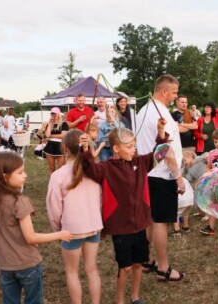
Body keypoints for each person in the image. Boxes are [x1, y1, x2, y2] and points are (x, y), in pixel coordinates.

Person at [80, 119, 182, 302]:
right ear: (116, 149)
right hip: (121, 228)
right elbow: (90, 169)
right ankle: (120, 300)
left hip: (140, 225)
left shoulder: (141, 163)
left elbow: (160, 153)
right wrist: (86, 149)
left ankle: (135, 297)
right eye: (129, 147)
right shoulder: (106, 168)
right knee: (125, 267)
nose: (134, 150)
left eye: (134, 146)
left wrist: (160, 132)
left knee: (137, 265)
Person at [0, 151, 73, 304]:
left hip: (6, 266)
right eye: (20, 172)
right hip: (27, 264)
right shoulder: (20, 201)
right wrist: (59, 234)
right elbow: (31, 238)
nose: (25, 175)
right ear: (5, 177)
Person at [135, 74, 185, 283]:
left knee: (150, 219)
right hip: (162, 175)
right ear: (164, 91)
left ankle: (146, 260)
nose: (175, 96)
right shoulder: (159, 112)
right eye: (174, 92)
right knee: (160, 222)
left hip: (148, 173)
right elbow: (165, 149)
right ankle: (163, 268)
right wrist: (178, 177)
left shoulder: (144, 110)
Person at [46, 129, 102, 304]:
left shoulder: (58, 176)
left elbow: (53, 209)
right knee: (92, 269)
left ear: (64, 148)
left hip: (71, 230)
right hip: (93, 225)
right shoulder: (95, 172)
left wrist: (57, 231)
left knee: (72, 271)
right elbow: (101, 200)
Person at [38, 107, 68, 175]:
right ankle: (52, 183)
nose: (53, 116)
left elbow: (63, 136)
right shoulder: (50, 124)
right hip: (50, 146)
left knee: (61, 168)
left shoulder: (64, 124)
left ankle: (61, 183)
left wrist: (51, 136)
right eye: (52, 114)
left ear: (58, 114)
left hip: (60, 146)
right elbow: (47, 135)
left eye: (55, 114)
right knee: (51, 167)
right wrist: (49, 124)